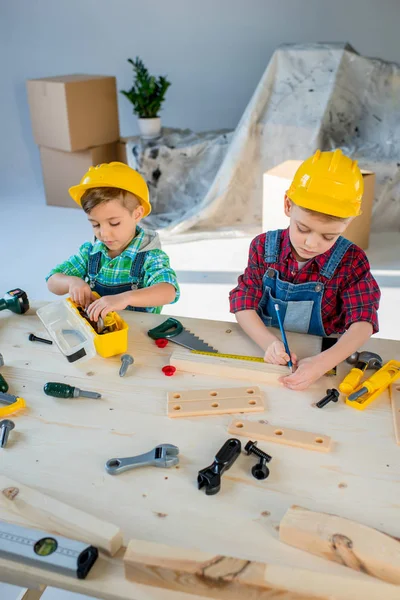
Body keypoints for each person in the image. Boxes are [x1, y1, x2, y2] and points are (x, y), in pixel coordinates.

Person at [229, 149, 380, 390]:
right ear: (288, 205)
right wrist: (267, 342)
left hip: (322, 356)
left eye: (328, 236)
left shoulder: (352, 261)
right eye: (302, 229)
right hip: (267, 349)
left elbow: (363, 321)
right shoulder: (262, 247)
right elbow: (243, 303)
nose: (312, 243)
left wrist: (323, 363)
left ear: (348, 222)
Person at [47, 162, 179, 321]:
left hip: (139, 331)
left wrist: (125, 298)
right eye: (95, 224)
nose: (104, 233)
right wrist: (71, 282)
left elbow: (169, 291)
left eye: (114, 223)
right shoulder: (91, 253)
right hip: (100, 330)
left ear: (137, 214)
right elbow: (52, 280)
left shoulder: (150, 256)